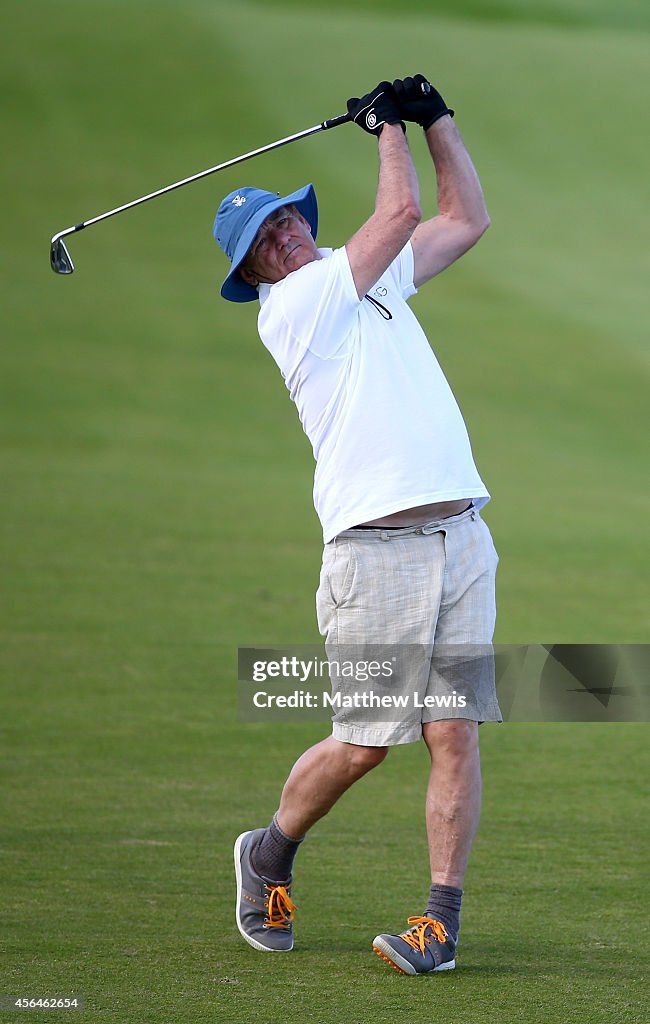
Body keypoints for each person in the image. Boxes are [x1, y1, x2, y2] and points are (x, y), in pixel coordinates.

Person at [213, 75, 501, 975]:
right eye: (265, 240)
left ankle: (439, 924)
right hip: (374, 553)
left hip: (461, 536)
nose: (286, 235)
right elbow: (401, 206)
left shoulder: (367, 281)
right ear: (252, 272)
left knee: (453, 730)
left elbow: (463, 217)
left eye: (287, 219)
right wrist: (383, 130)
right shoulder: (297, 308)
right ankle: (268, 852)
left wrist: (436, 117)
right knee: (367, 742)